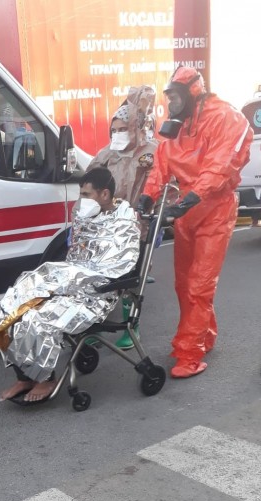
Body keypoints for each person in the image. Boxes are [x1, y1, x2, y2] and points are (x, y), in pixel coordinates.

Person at [137, 66, 253, 378]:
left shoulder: (226, 118)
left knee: (200, 285)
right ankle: (204, 334)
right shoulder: (178, 125)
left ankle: (189, 353)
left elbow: (221, 165)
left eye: (174, 96)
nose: (170, 102)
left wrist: (190, 199)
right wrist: (148, 195)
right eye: (169, 97)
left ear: (192, 92)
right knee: (184, 283)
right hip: (187, 210)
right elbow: (162, 163)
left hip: (215, 209)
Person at [0, 167, 140, 403]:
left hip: (96, 295)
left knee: (36, 319)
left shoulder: (123, 223)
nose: (82, 199)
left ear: (105, 194)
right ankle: (25, 376)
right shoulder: (86, 217)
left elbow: (111, 270)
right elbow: (76, 258)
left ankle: (45, 379)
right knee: (9, 308)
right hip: (71, 286)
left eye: (86, 194)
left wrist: (67, 278)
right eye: (81, 194)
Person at [88, 85, 159, 349]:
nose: (117, 134)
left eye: (123, 129)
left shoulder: (150, 151)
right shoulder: (107, 154)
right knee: (101, 277)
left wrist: (150, 208)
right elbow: (90, 181)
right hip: (107, 224)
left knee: (129, 277)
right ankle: (95, 325)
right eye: (114, 129)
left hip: (136, 225)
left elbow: (164, 183)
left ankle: (132, 325)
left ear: (136, 128)